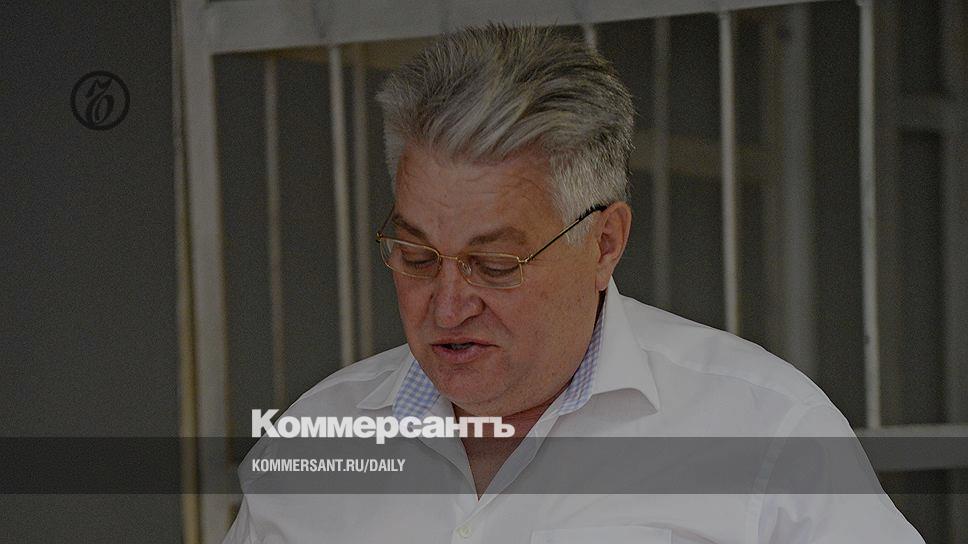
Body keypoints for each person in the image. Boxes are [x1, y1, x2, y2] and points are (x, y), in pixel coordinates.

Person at [223, 24, 924, 543]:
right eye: (416, 255)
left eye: (495, 264)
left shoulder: (767, 434)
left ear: (604, 243)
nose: (448, 304)